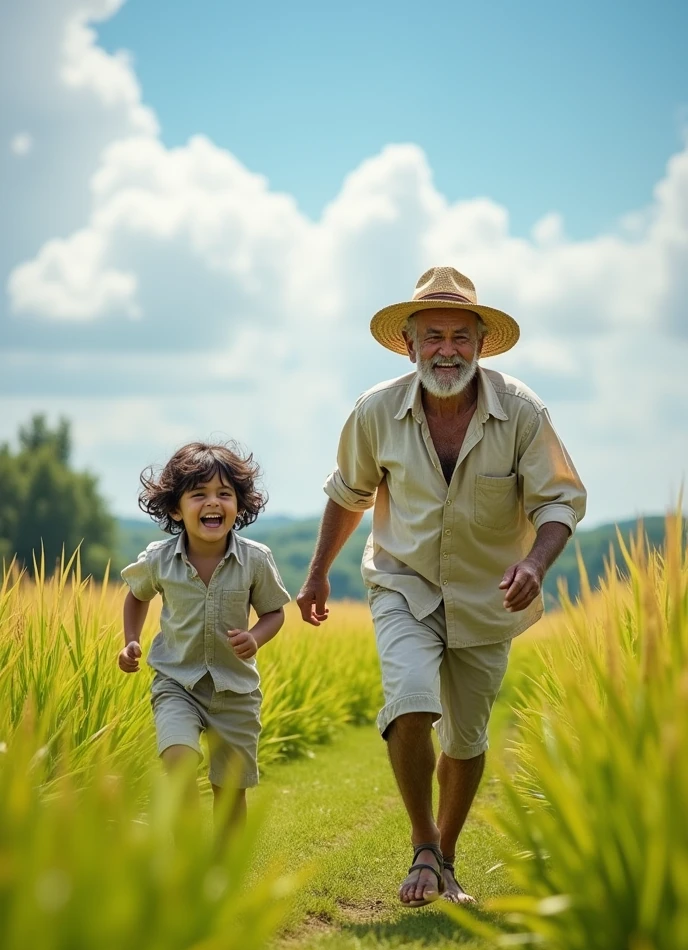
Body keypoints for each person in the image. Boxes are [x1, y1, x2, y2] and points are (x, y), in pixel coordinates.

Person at [297, 267, 586, 906]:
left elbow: (561, 502)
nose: (447, 349)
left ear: (481, 344)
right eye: (434, 336)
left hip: (490, 594)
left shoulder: (522, 412)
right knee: (410, 700)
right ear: (409, 343)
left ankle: (446, 856)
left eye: (460, 336)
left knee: (466, 738)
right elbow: (349, 494)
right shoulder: (375, 411)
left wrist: (535, 564)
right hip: (405, 582)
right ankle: (424, 842)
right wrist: (317, 574)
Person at [118, 441, 290, 838]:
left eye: (224, 494)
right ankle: (189, 848)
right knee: (178, 758)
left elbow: (275, 612)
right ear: (176, 509)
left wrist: (255, 637)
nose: (213, 502)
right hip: (177, 682)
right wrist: (131, 640)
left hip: (235, 690)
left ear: (239, 505)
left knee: (229, 790)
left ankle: (224, 873)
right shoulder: (158, 559)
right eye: (199, 495)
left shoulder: (256, 559)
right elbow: (136, 596)